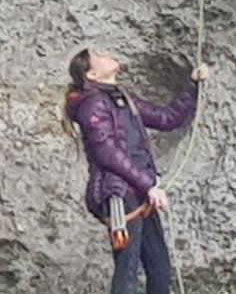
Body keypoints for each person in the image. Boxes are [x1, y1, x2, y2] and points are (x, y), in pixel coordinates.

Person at [64, 48, 210, 294]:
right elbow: (108, 153)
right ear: (92, 74)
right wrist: (149, 185)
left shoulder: (121, 97)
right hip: (119, 196)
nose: (107, 53)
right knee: (127, 269)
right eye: (99, 55)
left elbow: (166, 119)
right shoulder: (92, 105)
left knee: (159, 267)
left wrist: (192, 84)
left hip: (140, 193)